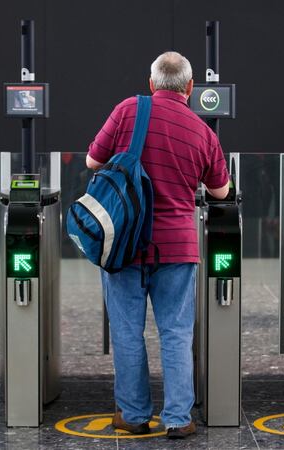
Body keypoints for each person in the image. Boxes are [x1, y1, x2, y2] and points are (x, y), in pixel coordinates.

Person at [86, 51, 230, 439]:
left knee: (127, 331)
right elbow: (220, 190)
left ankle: (133, 414)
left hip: (125, 243)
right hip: (178, 247)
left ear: (152, 84)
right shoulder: (203, 131)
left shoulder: (127, 110)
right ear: (189, 87)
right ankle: (178, 418)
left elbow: (92, 161)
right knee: (176, 332)